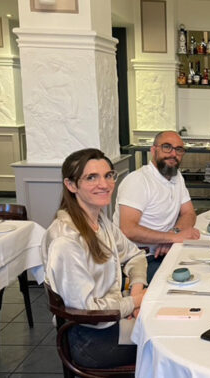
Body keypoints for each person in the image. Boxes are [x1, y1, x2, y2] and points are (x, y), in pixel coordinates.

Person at [42, 148, 147, 369]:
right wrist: (134, 303)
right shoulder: (66, 240)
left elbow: (135, 255)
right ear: (71, 185)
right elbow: (88, 311)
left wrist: (137, 290)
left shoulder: (100, 220)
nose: (105, 184)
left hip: (112, 322)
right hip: (89, 340)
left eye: (108, 175)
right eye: (92, 177)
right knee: (166, 343)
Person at [114, 131, 200, 282]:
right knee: (192, 280)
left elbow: (189, 213)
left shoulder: (177, 177)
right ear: (153, 150)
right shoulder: (138, 180)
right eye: (167, 147)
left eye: (179, 149)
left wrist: (173, 234)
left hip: (165, 252)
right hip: (139, 260)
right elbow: (128, 229)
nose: (173, 153)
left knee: (208, 267)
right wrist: (171, 238)